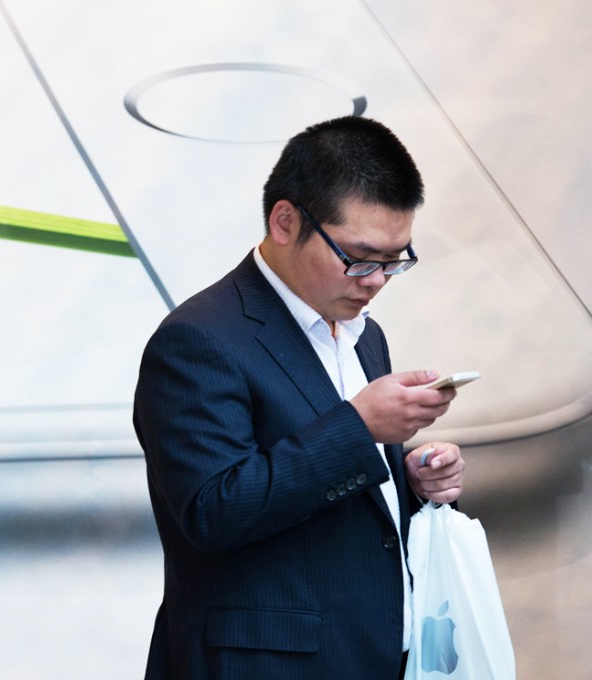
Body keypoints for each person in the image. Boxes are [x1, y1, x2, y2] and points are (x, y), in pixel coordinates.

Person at [133, 116, 466, 679]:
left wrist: (418, 483)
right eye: (359, 256)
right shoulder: (198, 338)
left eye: (395, 260)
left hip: (373, 654)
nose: (376, 280)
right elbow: (212, 511)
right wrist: (359, 429)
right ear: (285, 221)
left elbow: (351, 504)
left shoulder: (366, 335)